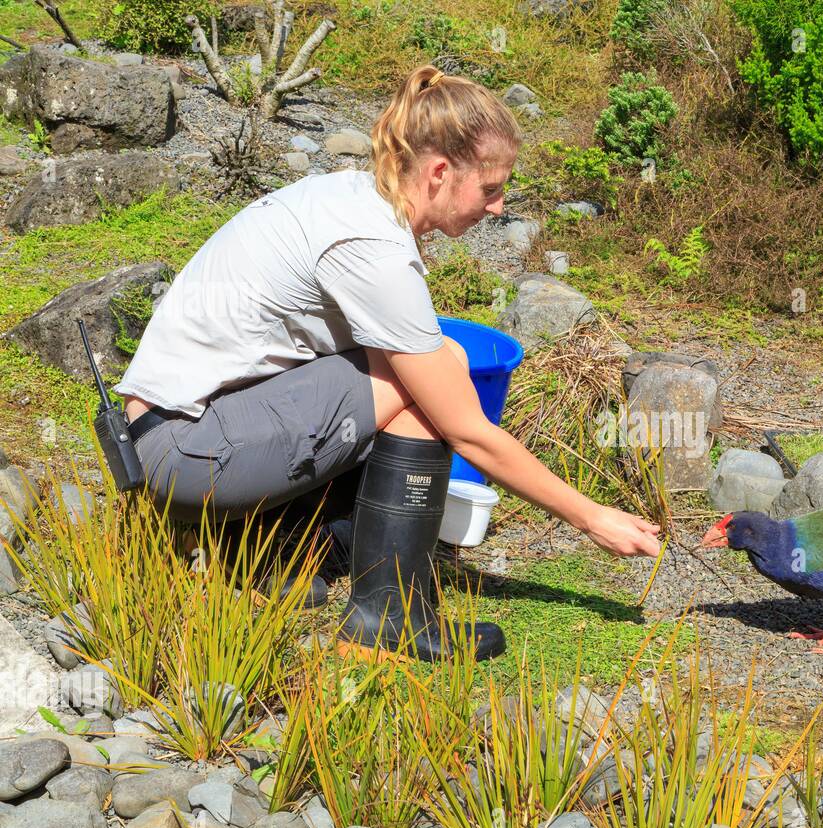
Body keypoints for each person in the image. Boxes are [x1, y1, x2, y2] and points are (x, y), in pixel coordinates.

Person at [113, 65, 662, 663]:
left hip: (171, 432)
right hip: (184, 454)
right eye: (491, 189)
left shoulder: (357, 197)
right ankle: (386, 615)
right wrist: (592, 517)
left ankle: (267, 546)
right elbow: (465, 431)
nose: (500, 208)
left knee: (414, 365)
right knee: (431, 379)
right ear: (439, 172)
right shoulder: (370, 247)